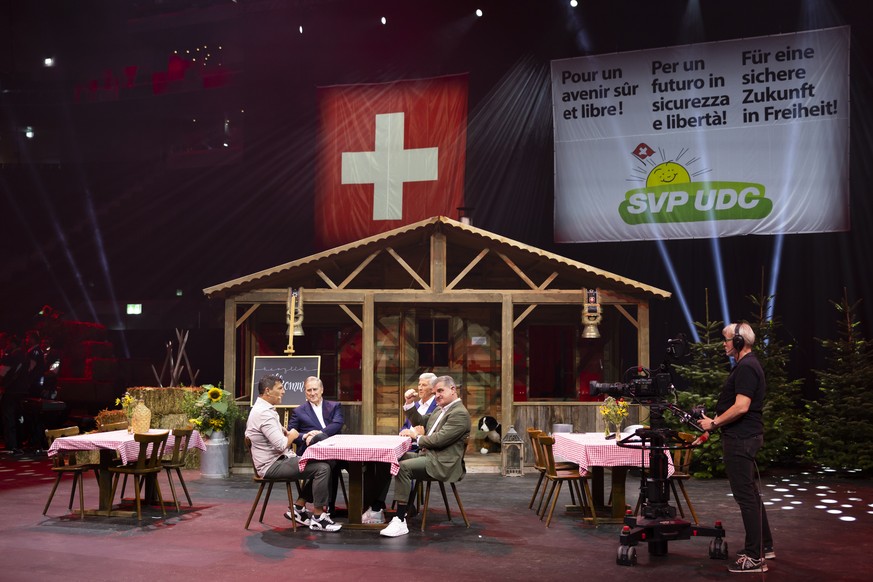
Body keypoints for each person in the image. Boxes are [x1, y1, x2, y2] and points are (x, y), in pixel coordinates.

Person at [699, 322, 774, 573]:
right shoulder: (747, 366)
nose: (724, 343)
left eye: (728, 339)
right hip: (744, 437)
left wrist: (714, 423)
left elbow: (742, 406)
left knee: (746, 497)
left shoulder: (747, 367)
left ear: (740, 342)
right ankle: (764, 546)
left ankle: (754, 557)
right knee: (751, 494)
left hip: (741, 439)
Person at [245, 375, 341, 532]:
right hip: (272, 465)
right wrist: (295, 434)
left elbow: (281, 435)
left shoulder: (265, 410)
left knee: (325, 463)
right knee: (322, 468)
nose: (283, 392)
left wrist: (295, 434)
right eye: (280, 388)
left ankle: (299, 508)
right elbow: (282, 443)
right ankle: (318, 518)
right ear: (268, 391)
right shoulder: (263, 413)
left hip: (281, 459)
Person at [378, 375, 471, 537]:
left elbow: (439, 439)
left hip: (444, 463)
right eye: (435, 393)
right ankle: (378, 508)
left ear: (453, 389)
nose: (437, 396)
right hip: (431, 457)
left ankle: (400, 519)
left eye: (441, 391)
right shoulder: (440, 409)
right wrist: (409, 403)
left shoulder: (459, 414)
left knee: (403, 468)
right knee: (395, 458)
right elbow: (420, 420)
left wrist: (417, 437)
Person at [288, 376, 345, 514]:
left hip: (335, 449)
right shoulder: (299, 411)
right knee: (331, 463)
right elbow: (292, 434)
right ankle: (327, 507)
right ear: (305, 392)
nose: (312, 393)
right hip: (311, 451)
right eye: (309, 390)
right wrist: (305, 436)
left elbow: (338, 424)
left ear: (322, 390)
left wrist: (318, 434)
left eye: (315, 389)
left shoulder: (334, 406)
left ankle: (301, 502)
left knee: (333, 463)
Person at [400, 372, 438, 448]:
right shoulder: (415, 405)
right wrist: (403, 432)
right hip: (406, 445)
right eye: (419, 384)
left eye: (424, 385)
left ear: (433, 389)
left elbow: (434, 435)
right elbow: (405, 426)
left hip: (421, 448)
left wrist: (413, 434)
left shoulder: (438, 406)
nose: (420, 388)